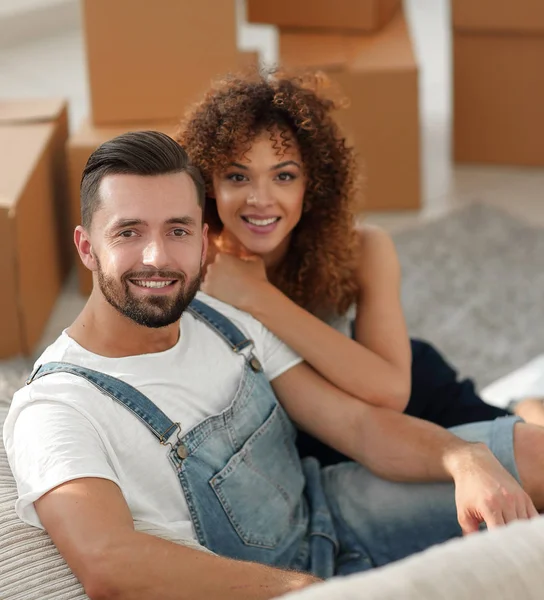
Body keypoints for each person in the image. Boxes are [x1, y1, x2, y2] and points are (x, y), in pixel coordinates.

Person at [4, 131, 544, 600]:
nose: (157, 258)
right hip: (256, 589)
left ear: (202, 239)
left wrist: (462, 457)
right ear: (86, 247)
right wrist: (310, 592)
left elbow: (359, 425)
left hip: (331, 514)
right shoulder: (56, 407)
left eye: (177, 229)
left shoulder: (218, 316)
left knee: (529, 453)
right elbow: (109, 565)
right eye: (128, 232)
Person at [175, 70, 544, 467]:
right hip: (325, 440)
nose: (260, 199)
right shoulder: (193, 268)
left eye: (284, 176)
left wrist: (258, 297)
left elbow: (391, 391)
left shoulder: (364, 248)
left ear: (311, 183)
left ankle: (523, 409)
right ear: (210, 182)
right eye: (237, 176)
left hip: (413, 398)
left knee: (525, 458)